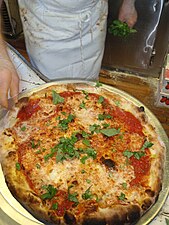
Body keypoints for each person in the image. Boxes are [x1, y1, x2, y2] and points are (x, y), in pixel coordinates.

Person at [0, 0, 137, 108]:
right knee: (50, 97)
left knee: (89, 90)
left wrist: (129, 3)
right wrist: (2, 58)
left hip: (92, 17)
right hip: (44, 24)